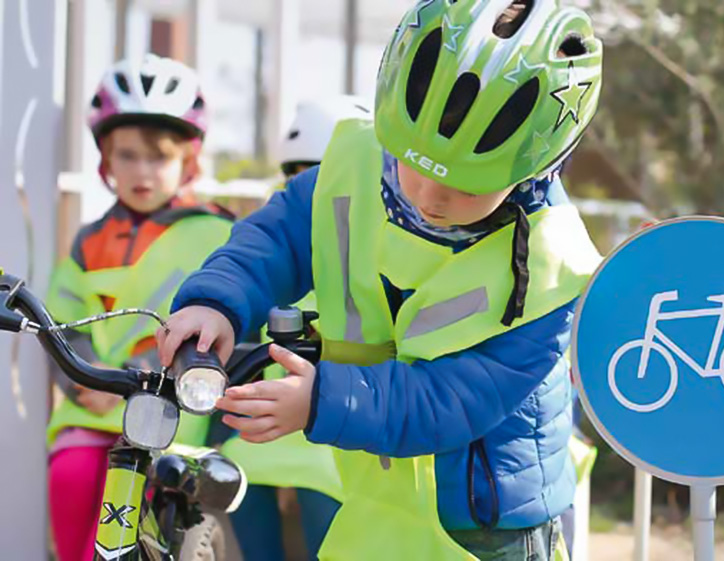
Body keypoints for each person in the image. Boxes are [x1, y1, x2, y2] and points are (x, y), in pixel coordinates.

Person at [158, 1, 603, 559]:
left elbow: (454, 400)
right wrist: (216, 302)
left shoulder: (551, 265)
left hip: (489, 525)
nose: (431, 197)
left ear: (539, 164)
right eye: (416, 163)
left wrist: (321, 402)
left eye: (470, 186)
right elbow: (273, 241)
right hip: (377, 495)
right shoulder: (354, 165)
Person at [46, 54, 233, 561]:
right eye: (127, 156)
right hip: (91, 408)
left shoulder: (218, 234)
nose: (142, 171)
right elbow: (62, 316)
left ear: (188, 162)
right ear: (106, 162)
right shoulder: (90, 240)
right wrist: (85, 381)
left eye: (159, 157)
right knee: (70, 476)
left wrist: (137, 375)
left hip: (165, 419)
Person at [220, 96, 371, 561]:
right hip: (272, 439)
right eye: (298, 174)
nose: (313, 189)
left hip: (333, 437)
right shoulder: (297, 260)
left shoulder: (359, 264)